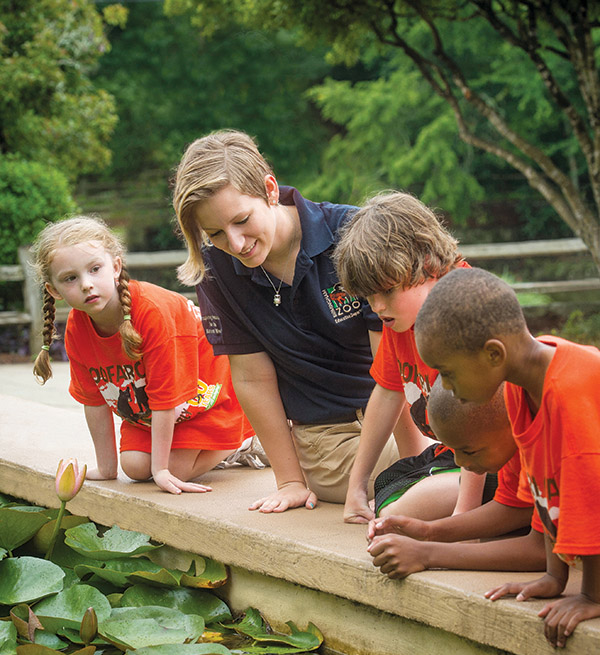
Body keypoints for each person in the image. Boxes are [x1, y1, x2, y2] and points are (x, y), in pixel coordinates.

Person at [172, 130, 408, 512]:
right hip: (328, 440)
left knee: (451, 463)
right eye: (215, 233)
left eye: (242, 220)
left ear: (269, 189)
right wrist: (291, 481)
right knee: (434, 479)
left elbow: (394, 368)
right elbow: (251, 378)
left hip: (404, 414)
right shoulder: (216, 270)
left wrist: (419, 460)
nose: (235, 244)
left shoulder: (350, 232)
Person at [414, 266, 600, 648]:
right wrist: (555, 577)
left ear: (493, 354)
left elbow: (589, 499)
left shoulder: (569, 391)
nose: (446, 386)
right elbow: (543, 486)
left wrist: (591, 596)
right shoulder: (519, 388)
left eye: (448, 373)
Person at [32, 215, 253, 495]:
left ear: (115, 267)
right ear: (54, 290)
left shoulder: (151, 313)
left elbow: (166, 399)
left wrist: (161, 471)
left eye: (95, 269)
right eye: (70, 278)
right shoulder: (77, 328)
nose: (86, 284)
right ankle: (186, 454)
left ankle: (242, 440)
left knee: (172, 470)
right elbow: (94, 401)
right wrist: (107, 467)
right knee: (135, 467)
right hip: (151, 410)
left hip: (204, 391)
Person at [333, 191, 484, 525]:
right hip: (453, 456)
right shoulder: (401, 318)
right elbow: (387, 392)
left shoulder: (462, 306)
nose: (377, 307)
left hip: (500, 459)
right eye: (368, 296)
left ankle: (504, 510)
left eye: (386, 291)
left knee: (398, 512)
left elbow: (480, 419)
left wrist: (464, 519)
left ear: (427, 264)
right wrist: (356, 485)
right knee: (387, 488)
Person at [367, 377, 546, 578]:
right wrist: (427, 531)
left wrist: (426, 554)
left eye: (468, 451)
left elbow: (541, 550)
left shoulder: (545, 424)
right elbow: (513, 508)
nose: (460, 463)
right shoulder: (512, 417)